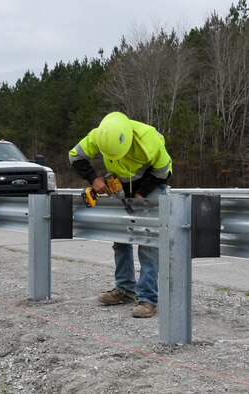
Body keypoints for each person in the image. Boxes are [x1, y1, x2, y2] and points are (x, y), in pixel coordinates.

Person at [68, 112, 172, 318]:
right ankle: (124, 289)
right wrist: (93, 179)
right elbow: (75, 156)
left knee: (148, 240)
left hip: (151, 183)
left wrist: (140, 193)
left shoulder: (148, 138)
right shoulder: (100, 135)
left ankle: (148, 298)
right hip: (121, 185)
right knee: (121, 237)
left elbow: (163, 172)